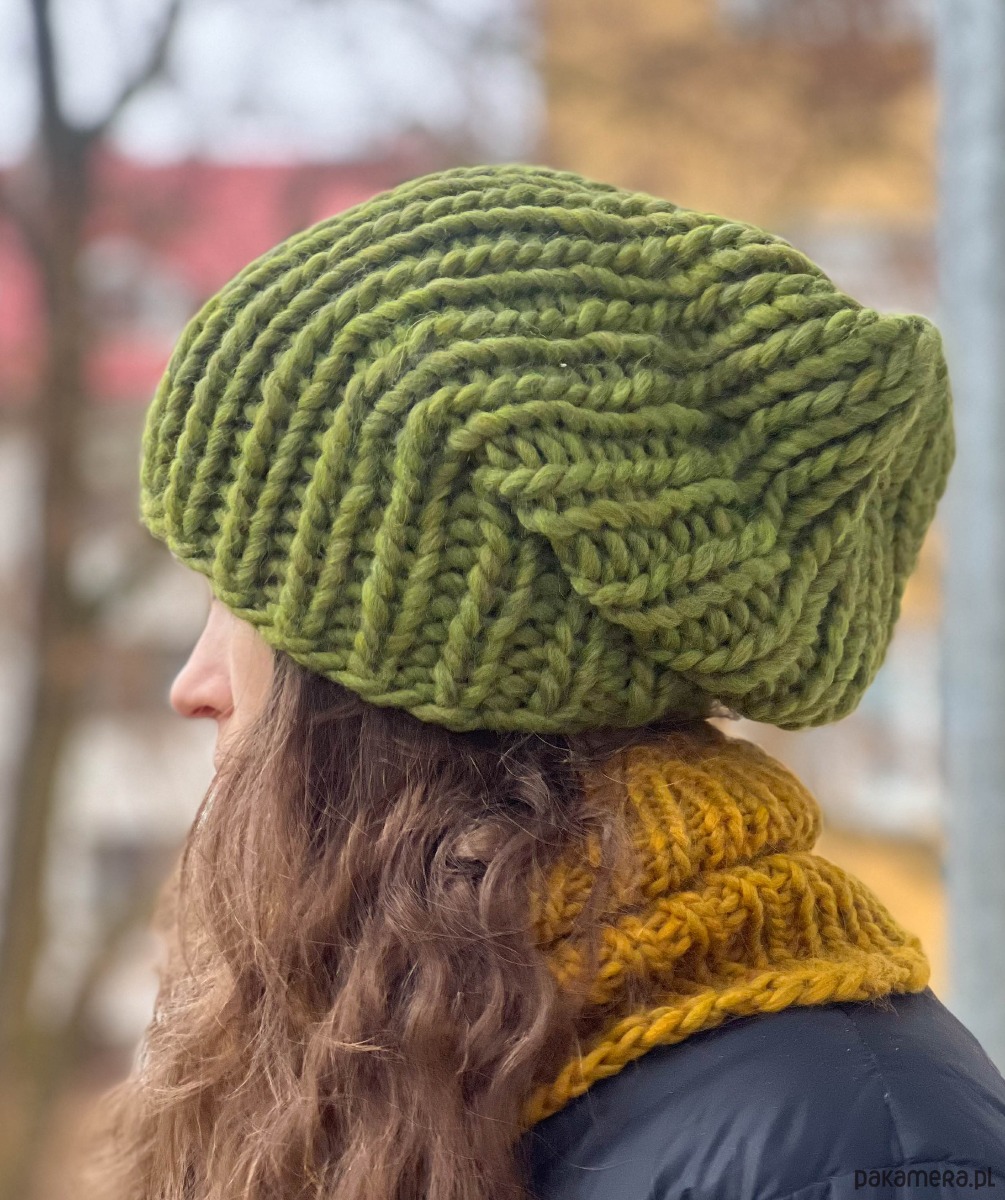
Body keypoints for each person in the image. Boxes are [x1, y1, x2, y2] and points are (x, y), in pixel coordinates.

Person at [88, 163, 1005, 1199]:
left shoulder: (867, 1153)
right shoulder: (427, 1056)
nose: (194, 683)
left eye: (245, 605)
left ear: (432, 666)